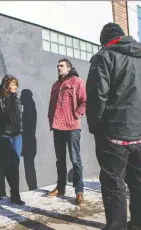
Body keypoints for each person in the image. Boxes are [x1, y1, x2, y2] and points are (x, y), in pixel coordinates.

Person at [86, 23, 141, 230]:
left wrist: (95, 124)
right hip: (138, 131)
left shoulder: (104, 57)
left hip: (112, 132)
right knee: (138, 178)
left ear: (104, 40)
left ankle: (116, 227)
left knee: (114, 183)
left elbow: (97, 96)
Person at [47, 58, 86, 205]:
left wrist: (75, 115)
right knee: (60, 160)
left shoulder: (77, 82)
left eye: (61, 66)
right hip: (58, 127)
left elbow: (84, 101)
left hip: (72, 127)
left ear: (69, 68)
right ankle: (61, 187)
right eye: (57, 66)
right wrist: (51, 118)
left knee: (75, 159)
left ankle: (79, 191)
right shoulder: (55, 85)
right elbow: (52, 105)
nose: (59, 68)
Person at [0, 75, 25, 205]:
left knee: (15, 164)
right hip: (5, 138)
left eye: (16, 84)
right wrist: (0, 128)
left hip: (17, 137)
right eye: (12, 84)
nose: (15, 87)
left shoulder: (17, 101)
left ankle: (15, 193)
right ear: (6, 86)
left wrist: (19, 128)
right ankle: (14, 192)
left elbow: (19, 119)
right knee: (8, 166)